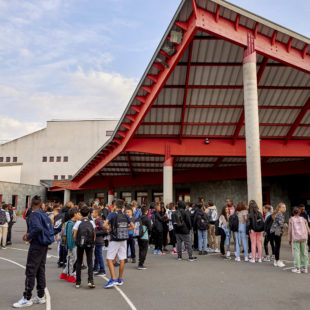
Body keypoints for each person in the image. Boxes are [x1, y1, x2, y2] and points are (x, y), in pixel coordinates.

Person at [13, 196, 54, 308]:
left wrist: (29, 236)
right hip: (44, 245)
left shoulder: (34, 214)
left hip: (36, 246)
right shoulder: (43, 214)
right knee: (40, 270)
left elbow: (37, 228)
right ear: (41, 205)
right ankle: (41, 296)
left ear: (31, 205)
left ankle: (27, 298)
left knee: (30, 271)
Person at [103, 199, 134, 288]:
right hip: (124, 238)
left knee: (109, 258)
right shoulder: (126, 215)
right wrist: (125, 230)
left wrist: (110, 230)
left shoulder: (112, 214)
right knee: (122, 259)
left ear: (115, 206)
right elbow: (132, 226)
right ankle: (120, 279)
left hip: (114, 238)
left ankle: (113, 279)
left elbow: (105, 225)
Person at [73, 205, 96, 289]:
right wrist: (92, 242)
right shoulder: (92, 222)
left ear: (80, 213)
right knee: (90, 262)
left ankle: (78, 282)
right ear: (89, 213)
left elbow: (74, 235)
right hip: (89, 244)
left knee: (79, 262)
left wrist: (78, 241)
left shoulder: (78, 222)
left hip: (80, 244)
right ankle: (90, 280)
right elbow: (94, 235)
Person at [60, 208, 80, 283]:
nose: (79, 215)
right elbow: (69, 236)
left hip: (73, 244)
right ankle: (69, 275)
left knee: (72, 259)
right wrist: (70, 247)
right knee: (71, 259)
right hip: (72, 245)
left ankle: (64, 273)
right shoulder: (70, 224)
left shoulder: (73, 222)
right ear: (75, 214)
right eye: (78, 214)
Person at [288, 206, 310, 274]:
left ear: (292, 212)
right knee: (304, 252)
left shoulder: (291, 219)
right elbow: (308, 229)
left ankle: (298, 268)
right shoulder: (303, 219)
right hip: (303, 237)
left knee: (296, 253)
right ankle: (305, 268)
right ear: (299, 212)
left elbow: (290, 231)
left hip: (296, 238)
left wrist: (289, 239)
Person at [270, 202, 286, 268]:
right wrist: (286, 225)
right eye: (283, 207)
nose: (285, 208)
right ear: (279, 208)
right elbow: (281, 224)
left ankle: (276, 261)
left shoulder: (278, 214)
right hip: (277, 230)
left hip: (276, 230)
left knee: (277, 245)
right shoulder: (279, 214)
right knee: (277, 246)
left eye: (285, 207)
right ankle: (277, 260)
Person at [93, 208, 107, 275]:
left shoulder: (100, 221)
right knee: (96, 254)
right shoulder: (96, 220)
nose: (92, 214)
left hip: (99, 240)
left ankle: (102, 270)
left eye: (93, 212)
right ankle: (96, 267)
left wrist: (95, 233)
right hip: (97, 240)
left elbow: (104, 230)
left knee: (99, 255)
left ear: (97, 214)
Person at [137, 205, 152, 270]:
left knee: (140, 249)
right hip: (145, 236)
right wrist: (149, 234)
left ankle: (140, 262)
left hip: (139, 235)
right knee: (144, 250)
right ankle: (141, 264)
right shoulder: (147, 219)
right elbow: (150, 228)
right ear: (146, 211)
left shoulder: (138, 218)